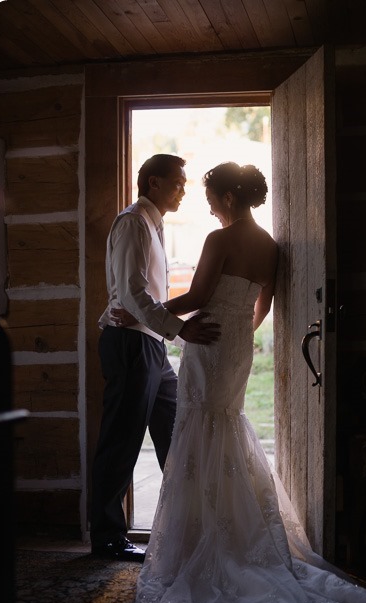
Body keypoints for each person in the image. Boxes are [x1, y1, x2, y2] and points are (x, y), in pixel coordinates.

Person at [131, 161, 366, 603]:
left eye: (211, 195)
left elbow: (200, 297)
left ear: (227, 197)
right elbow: (263, 299)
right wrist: (242, 330)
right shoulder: (268, 243)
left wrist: (151, 309)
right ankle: (224, 528)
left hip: (208, 345)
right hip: (237, 348)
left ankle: (205, 538)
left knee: (202, 430)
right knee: (222, 427)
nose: (207, 203)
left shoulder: (217, 240)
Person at [90, 154, 220, 563]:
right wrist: (179, 328)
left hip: (150, 344)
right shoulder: (133, 222)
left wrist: (165, 332)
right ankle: (108, 538)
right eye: (178, 182)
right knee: (121, 440)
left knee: (174, 430)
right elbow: (130, 292)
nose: (184, 189)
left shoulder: (153, 223)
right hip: (131, 344)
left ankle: (185, 526)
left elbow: (135, 293)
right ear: (153, 182)